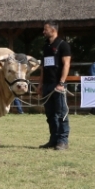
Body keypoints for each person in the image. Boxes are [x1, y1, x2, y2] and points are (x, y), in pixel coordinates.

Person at [40, 21, 71, 150]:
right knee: (50, 114)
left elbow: (66, 64)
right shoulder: (46, 46)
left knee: (61, 113)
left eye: (45, 29)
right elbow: (43, 67)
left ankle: (63, 141)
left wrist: (61, 83)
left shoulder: (63, 45)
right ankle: (53, 140)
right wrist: (41, 84)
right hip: (47, 85)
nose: (43, 32)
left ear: (53, 30)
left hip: (58, 85)